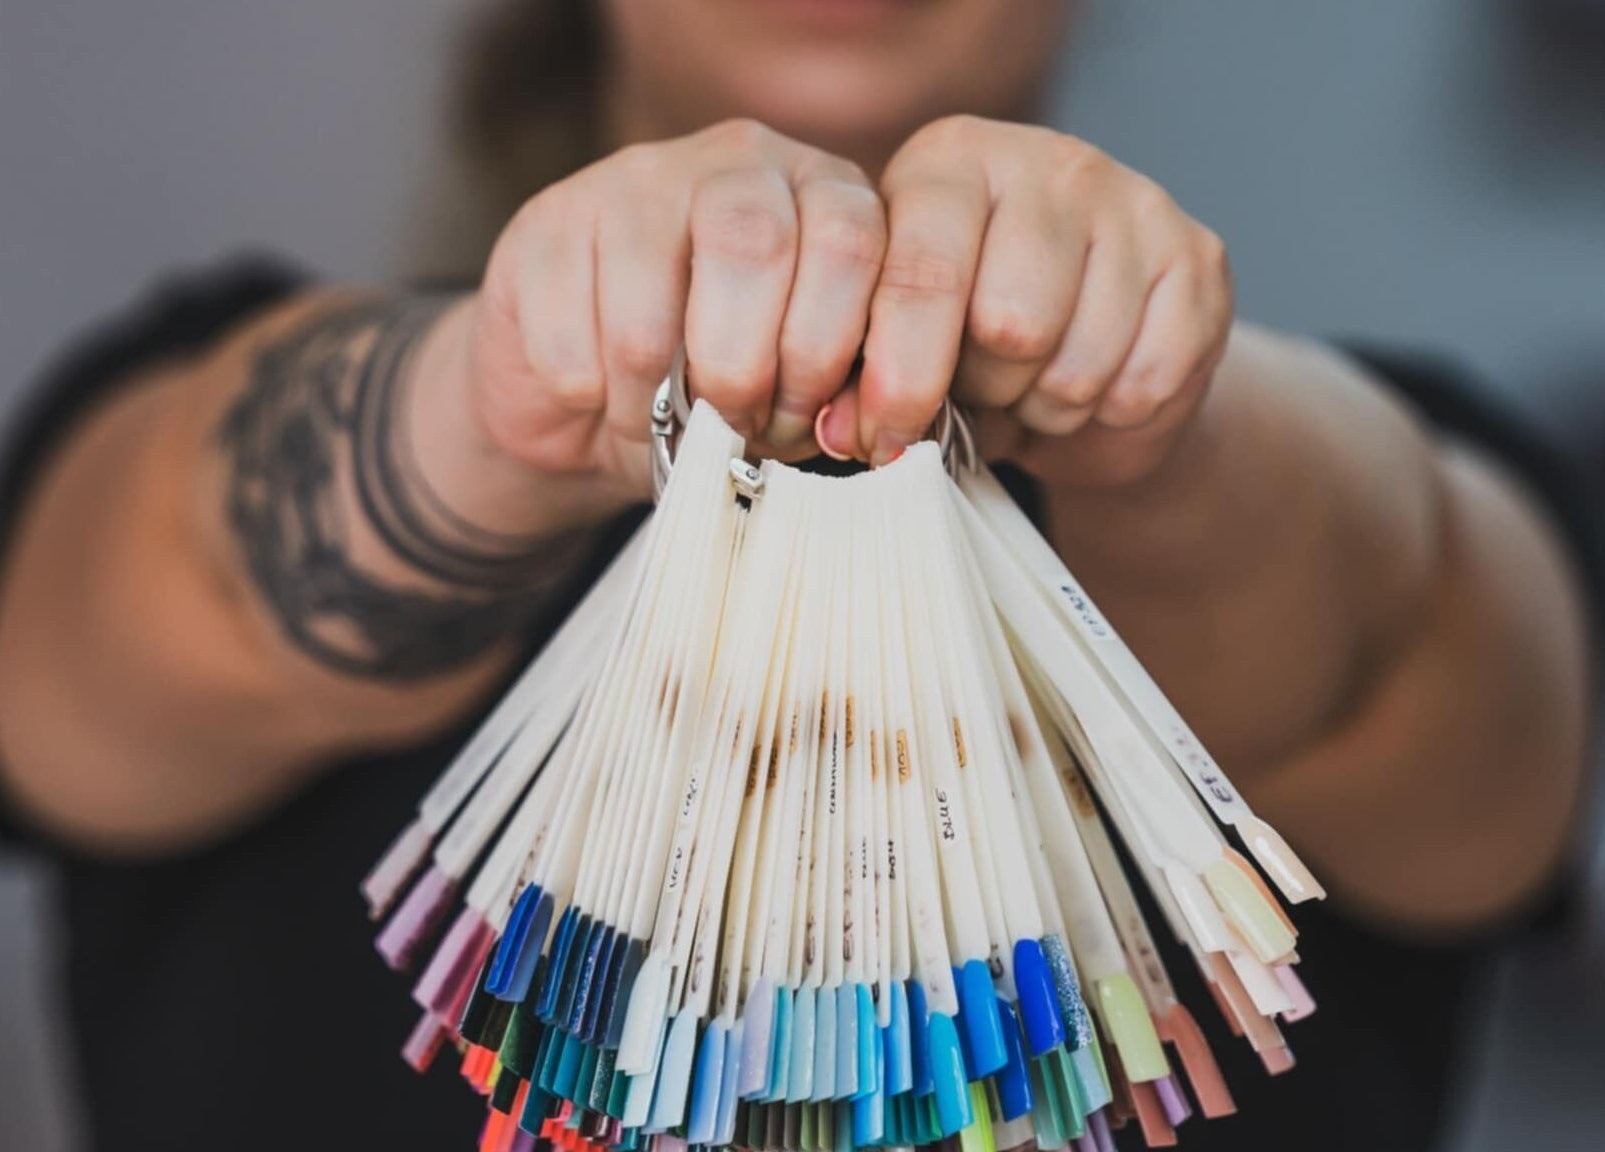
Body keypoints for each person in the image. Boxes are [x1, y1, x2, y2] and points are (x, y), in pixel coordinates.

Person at [0, 2, 1595, 1150]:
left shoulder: (1352, 471)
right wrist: (493, 410)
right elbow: (170, 601)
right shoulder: (196, 392)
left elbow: (1393, 644)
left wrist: (1159, 430)